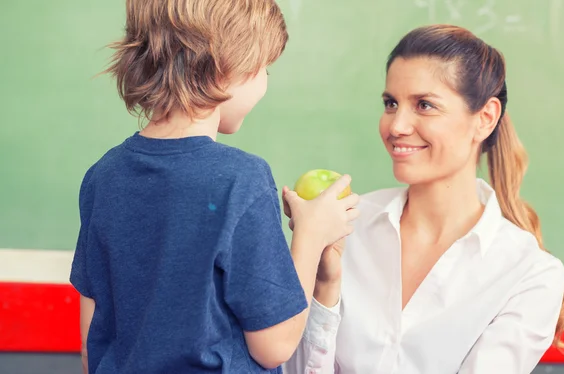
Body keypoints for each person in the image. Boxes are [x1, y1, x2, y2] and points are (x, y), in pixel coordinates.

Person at [69, 1, 360, 373]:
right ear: (230, 68)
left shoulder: (102, 176)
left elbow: (91, 347)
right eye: (264, 68)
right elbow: (275, 345)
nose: (265, 80)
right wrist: (311, 235)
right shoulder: (242, 180)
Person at [282, 24, 564, 374]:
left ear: (485, 118)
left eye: (424, 105)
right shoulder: (346, 226)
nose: (397, 126)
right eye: (391, 103)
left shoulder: (529, 273)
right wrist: (324, 284)